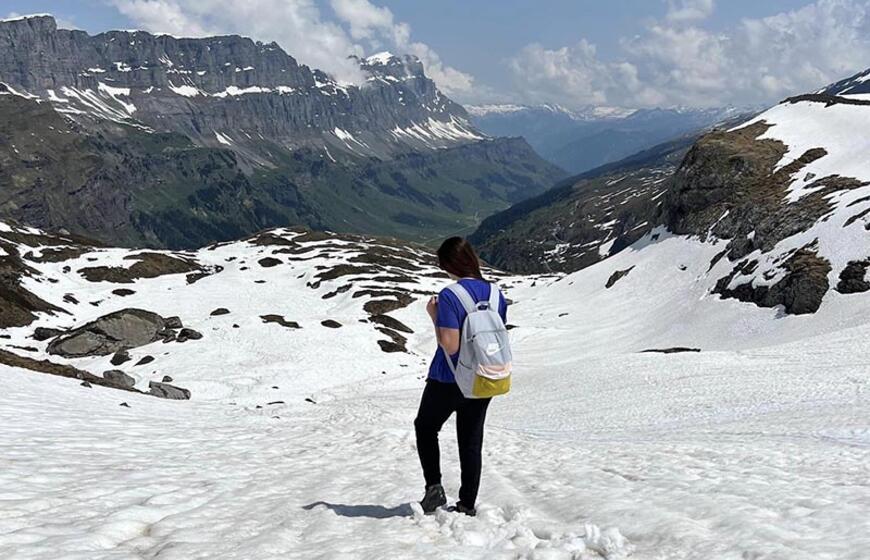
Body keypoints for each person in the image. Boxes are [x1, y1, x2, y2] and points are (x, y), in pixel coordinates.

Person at [414, 237, 508, 517]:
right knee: (470, 439)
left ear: (450, 264)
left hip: (448, 378)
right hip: (486, 374)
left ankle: (434, 488)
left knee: (426, 427)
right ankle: (467, 503)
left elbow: (450, 344)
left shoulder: (450, 296)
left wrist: (434, 315)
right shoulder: (496, 294)